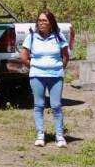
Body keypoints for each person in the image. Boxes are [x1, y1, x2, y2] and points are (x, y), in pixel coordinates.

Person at [20, 10, 70, 147]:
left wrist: (59, 68)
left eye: (45, 21)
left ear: (51, 23)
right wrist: (36, 67)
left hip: (55, 76)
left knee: (56, 105)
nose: (41, 23)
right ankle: (40, 134)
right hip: (37, 76)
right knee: (39, 105)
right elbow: (23, 57)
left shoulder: (59, 37)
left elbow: (65, 56)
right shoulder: (31, 37)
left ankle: (59, 136)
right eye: (40, 20)